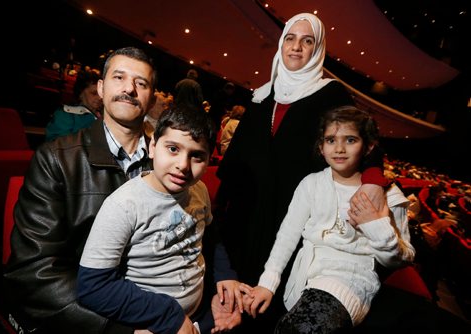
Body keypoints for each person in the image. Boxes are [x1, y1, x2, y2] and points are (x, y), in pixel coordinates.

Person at [3, 46, 234, 334]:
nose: (129, 89)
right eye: (119, 77)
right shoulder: (57, 159)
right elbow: (33, 271)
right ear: (100, 88)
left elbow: (196, 234)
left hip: (167, 311)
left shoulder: (172, 156)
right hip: (93, 315)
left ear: (152, 99)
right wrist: (118, 329)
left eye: (141, 83)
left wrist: (217, 289)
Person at [214, 12, 389, 332]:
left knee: (272, 308)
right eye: (290, 39)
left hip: (294, 221)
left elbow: (367, 145)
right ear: (281, 45)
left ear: (317, 49)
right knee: (234, 307)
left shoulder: (331, 94)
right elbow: (236, 162)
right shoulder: (261, 96)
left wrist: (374, 182)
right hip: (246, 219)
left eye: (307, 41)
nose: (297, 47)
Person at [240, 106, 415, 333]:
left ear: (368, 146)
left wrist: (375, 224)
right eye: (331, 140)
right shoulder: (311, 183)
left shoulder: (388, 195)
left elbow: (403, 257)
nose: (339, 149)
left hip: (351, 284)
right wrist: (268, 283)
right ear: (321, 147)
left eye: (350, 140)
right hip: (303, 281)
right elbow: (287, 236)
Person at [78, 105, 243, 334]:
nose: (183, 166)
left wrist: (225, 276)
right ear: (153, 146)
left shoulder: (200, 190)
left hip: (201, 316)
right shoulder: (124, 205)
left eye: (197, 156)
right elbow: (93, 287)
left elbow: (212, 236)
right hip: (154, 325)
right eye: (173, 149)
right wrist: (169, 316)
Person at [45, 69, 103, 141]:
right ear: (81, 93)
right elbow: (57, 145)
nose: (100, 97)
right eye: (94, 93)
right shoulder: (65, 115)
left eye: (102, 93)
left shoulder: (106, 114)